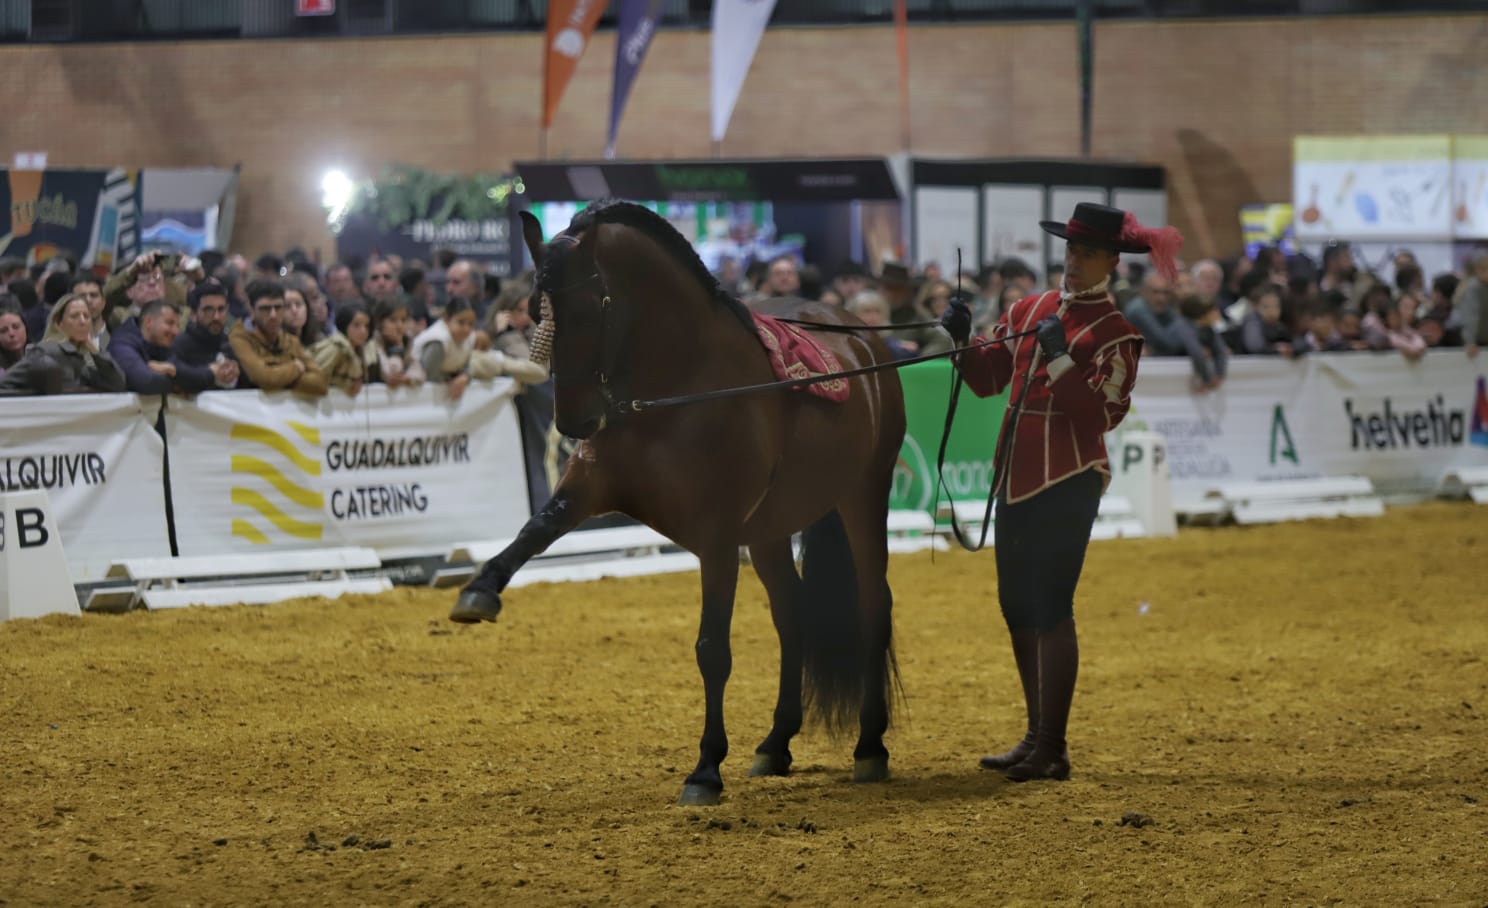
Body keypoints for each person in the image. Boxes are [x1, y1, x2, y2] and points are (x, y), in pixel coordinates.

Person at [939, 202, 1181, 783]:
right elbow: (988, 380)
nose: (1074, 261)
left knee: (1050, 608)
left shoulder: (1118, 333)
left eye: (1088, 253)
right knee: (1016, 607)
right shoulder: (1030, 308)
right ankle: (1035, 735)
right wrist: (962, 338)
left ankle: (1052, 745)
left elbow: (1099, 418)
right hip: (1016, 474)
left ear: (1111, 262)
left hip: (1068, 479)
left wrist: (1058, 356)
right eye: (1072, 250)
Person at [0, 294, 126, 395]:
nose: (82, 321)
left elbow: (117, 384)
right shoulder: (45, 351)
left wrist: (93, 349)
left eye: (86, 316)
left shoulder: (86, 357)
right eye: (74, 316)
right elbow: (5, 383)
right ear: (59, 323)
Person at [229, 278, 328, 396]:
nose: (273, 315)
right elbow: (265, 379)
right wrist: (296, 368)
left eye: (278, 307)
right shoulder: (239, 337)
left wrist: (280, 378)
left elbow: (320, 383)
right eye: (265, 309)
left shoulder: (290, 341)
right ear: (251, 309)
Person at [172, 278, 241, 392]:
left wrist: (236, 373)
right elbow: (174, 373)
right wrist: (211, 373)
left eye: (221, 309)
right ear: (193, 314)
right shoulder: (179, 345)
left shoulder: (231, 343)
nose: (216, 317)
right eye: (208, 310)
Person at [311, 303, 371, 396]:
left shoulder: (360, 349)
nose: (363, 331)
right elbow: (315, 377)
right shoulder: (336, 347)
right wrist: (345, 384)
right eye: (356, 325)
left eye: (366, 326)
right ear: (345, 325)